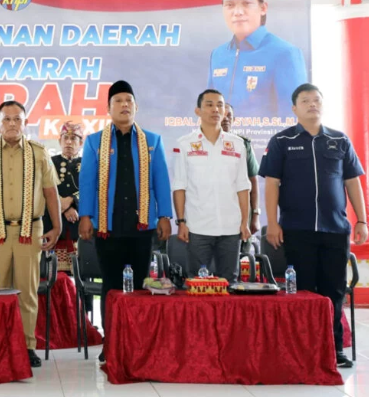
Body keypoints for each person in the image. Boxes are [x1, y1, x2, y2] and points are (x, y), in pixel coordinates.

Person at [259, 83, 367, 368]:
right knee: (304, 292)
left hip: (335, 230)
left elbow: (352, 182)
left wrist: (362, 219)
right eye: (305, 100)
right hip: (297, 230)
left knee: (334, 291)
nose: (312, 104)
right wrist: (273, 223)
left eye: (316, 99)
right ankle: (305, 350)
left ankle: (334, 348)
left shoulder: (340, 140)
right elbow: (272, 184)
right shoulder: (282, 140)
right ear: (294, 108)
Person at [78, 80, 173, 363]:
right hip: (107, 227)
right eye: (118, 101)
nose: (124, 105)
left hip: (142, 227)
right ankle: (111, 343)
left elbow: (161, 180)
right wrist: (86, 217)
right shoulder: (94, 142)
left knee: (140, 286)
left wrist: (165, 215)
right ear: (108, 109)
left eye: (128, 100)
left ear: (136, 107)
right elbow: (87, 182)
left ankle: (137, 344)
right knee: (110, 285)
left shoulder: (152, 141)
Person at [0, 101, 62, 368]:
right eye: (6, 119)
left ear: (25, 123)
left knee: (27, 290)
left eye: (17, 119)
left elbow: (50, 192)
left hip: (29, 230)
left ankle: (27, 346)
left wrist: (57, 227)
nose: (11, 124)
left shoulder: (39, 153)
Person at [172, 90, 251, 283]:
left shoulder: (237, 144)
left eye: (220, 105)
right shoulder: (185, 144)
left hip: (230, 227)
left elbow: (242, 186)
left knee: (229, 283)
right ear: (198, 111)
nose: (215, 109)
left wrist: (244, 222)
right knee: (197, 284)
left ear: (225, 111)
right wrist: (181, 222)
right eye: (209, 104)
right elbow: (180, 186)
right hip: (198, 227)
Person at [207, 0, 307, 119]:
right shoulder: (218, 54)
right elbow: (209, 109)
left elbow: (293, 117)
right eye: (230, 5)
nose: (237, 12)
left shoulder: (285, 53)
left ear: (263, 8)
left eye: (246, 3)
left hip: (264, 134)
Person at [43, 121, 83, 272]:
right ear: (59, 141)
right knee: (52, 273)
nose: (69, 142)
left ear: (81, 143)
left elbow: (93, 190)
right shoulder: (49, 163)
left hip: (78, 225)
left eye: (73, 138)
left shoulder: (87, 164)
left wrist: (73, 199)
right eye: (65, 138)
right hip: (53, 223)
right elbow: (41, 190)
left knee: (79, 272)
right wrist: (63, 207)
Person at [222, 103, 261, 253]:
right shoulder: (198, 144)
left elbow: (253, 181)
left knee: (239, 258)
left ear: (234, 120)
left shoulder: (243, 144)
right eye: (223, 115)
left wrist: (255, 215)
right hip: (211, 214)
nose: (226, 119)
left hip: (240, 215)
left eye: (229, 116)